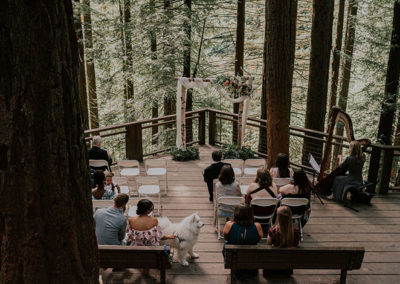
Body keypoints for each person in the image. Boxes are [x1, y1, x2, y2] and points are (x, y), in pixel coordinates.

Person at [223, 205, 263, 279]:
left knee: (226, 244)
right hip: (251, 257)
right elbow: (259, 238)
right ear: (251, 214)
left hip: (234, 258)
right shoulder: (257, 226)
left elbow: (226, 238)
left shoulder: (229, 225)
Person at [264, 206, 301, 277]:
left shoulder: (273, 231)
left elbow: (268, 244)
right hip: (287, 270)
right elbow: (296, 244)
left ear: (278, 217)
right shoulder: (295, 232)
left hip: (272, 270)